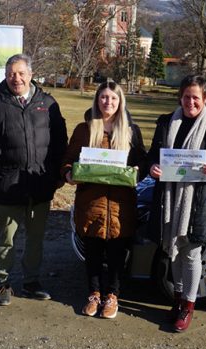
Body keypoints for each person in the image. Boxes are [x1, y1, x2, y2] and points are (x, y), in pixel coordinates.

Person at [0, 54, 67, 306]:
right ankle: (3, 282)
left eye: (22, 73)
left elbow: (60, 143)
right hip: (6, 187)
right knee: (6, 239)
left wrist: (57, 176)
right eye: (12, 73)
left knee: (35, 239)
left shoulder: (47, 103)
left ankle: (31, 281)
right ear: (5, 76)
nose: (17, 78)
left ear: (31, 74)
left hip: (40, 186)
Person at [147, 75, 206, 332]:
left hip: (199, 201)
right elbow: (154, 156)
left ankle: (188, 306)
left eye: (196, 97)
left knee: (191, 256)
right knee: (173, 252)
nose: (190, 102)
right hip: (168, 198)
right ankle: (176, 301)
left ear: (205, 98)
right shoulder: (166, 123)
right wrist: (152, 166)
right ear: (180, 97)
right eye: (186, 97)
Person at [61, 81, 146, 319]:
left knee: (118, 253)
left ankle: (113, 296)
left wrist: (138, 170)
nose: (108, 102)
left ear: (120, 102)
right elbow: (68, 160)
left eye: (113, 98)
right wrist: (68, 173)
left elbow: (143, 162)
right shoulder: (84, 129)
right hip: (91, 203)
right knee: (94, 252)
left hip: (121, 206)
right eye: (104, 97)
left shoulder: (131, 131)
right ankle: (94, 293)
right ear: (97, 100)